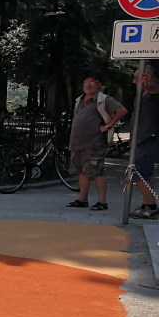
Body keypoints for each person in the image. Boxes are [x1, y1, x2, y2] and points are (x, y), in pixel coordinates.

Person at [66, 75, 127, 211]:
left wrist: (108, 126)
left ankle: (102, 202)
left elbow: (122, 111)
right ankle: (83, 199)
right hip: (77, 142)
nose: (88, 85)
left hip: (94, 143)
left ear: (99, 85)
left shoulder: (103, 100)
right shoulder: (80, 100)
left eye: (92, 83)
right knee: (82, 171)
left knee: (97, 172)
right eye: (86, 82)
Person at [129, 62, 159, 219]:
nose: (134, 82)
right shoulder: (141, 93)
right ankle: (147, 202)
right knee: (143, 173)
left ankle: (151, 207)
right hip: (139, 138)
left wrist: (150, 85)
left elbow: (156, 89)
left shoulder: (152, 89)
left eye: (137, 78)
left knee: (140, 173)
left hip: (148, 138)